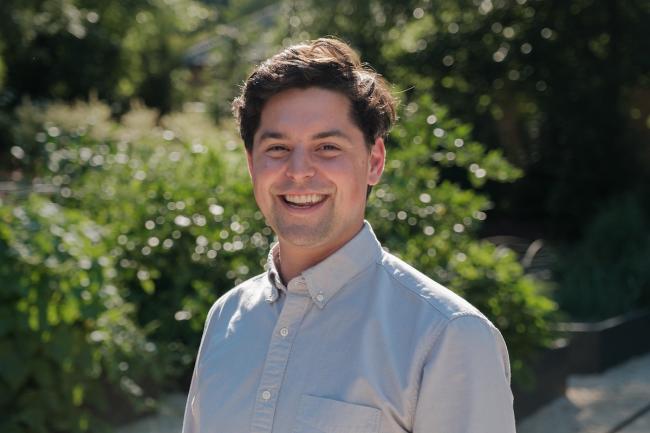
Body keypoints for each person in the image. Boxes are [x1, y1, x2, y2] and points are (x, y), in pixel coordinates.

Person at [182, 37, 516, 433]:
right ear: (252, 164)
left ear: (374, 161)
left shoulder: (448, 337)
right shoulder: (225, 319)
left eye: (327, 147)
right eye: (277, 147)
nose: (299, 170)